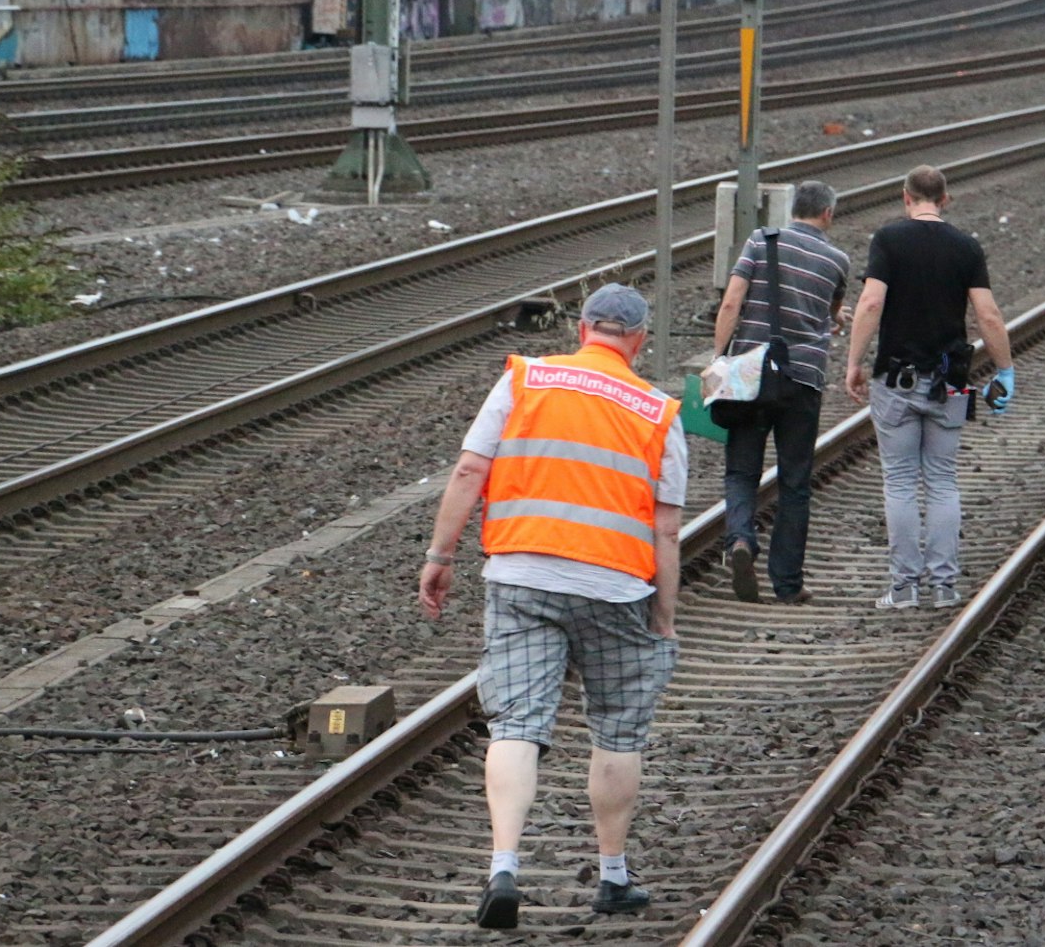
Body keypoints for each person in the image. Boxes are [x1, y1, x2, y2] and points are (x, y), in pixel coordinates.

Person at [418, 283, 684, 931]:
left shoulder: (526, 380)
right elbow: (667, 529)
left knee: (517, 722)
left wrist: (440, 554)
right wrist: (665, 616)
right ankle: (613, 876)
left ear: (583, 328)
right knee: (617, 728)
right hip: (616, 586)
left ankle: (503, 866)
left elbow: (467, 471)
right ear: (638, 340)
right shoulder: (657, 410)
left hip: (522, 572)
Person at [843, 165, 1014, 611]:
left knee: (899, 481)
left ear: (905, 197)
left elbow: (871, 301)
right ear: (945, 200)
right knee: (942, 481)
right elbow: (988, 315)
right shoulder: (966, 247)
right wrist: (1005, 368)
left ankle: (903, 589)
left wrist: (854, 362)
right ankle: (944, 587)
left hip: (895, 379)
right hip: (951, 382)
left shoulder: (888, 240)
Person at [711, 180, 852, 605]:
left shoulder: (760, 240)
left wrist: (719, 358)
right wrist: (835, 319)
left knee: (741, 472)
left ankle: (740, 540)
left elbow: (732, 302)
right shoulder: (837, 260)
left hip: (751, 374)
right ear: (827, 214)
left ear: (793, 209)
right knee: (794, 483)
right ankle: (788, 585)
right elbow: (828, 312)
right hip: (803, 379)